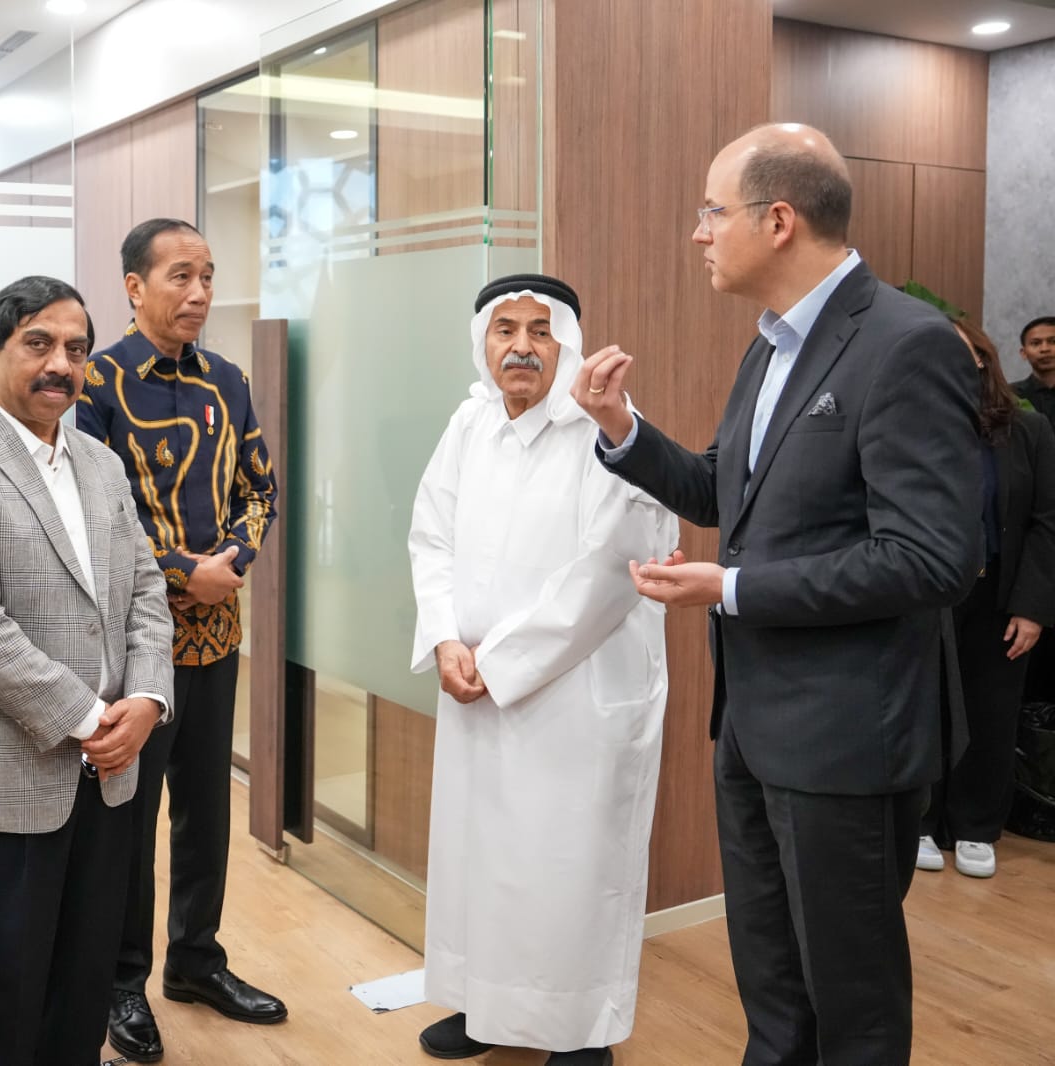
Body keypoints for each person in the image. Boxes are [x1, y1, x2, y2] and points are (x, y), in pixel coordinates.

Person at [572, 123, 982, 1066]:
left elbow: (931, 560)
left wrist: (735, 587)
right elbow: (726, 489)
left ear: (780, 220)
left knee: (852, 999)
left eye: (713, 212)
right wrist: (622, 427)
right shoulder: (771, 346)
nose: (699, 233)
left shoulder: (908, 345)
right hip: (754, 725)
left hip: (850, 737)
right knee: (773, 983)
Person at [0, 275, 174, 1066]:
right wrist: (94, 719)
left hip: (106, 773)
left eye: (77, 349)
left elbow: (145, 591)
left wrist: (147, 698)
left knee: (82, 981)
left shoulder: (99, 463)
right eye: (39, 344)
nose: (62, 364)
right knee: (0, 990)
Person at [408, 275, 676, 1066]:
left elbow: (611, 570)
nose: (520, 345)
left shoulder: (609, 431)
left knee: (567, 870)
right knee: (481, 860)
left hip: (574, 695)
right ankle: (486, 1006)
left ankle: (578, 1027)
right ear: (482, 345)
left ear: (568, 344)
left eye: (539, 330)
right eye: (504, 330)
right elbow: (431, 539)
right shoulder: (469, 422)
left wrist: (504, 662)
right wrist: (448, 637)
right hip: (476, 685)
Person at [76, 217, 283, 1063]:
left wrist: (235, 554)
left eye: (207, 276)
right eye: (179, 277)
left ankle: (195, 960)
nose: (198, 293)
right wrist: (178, 569)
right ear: (134, 286)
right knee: (126, 820)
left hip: (219, 632)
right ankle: (121, 980)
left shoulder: (228, 380)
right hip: (136, 647)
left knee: (207, 812)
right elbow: (91, 517)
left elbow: (260, 486)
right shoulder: (93, 384)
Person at [918, 316, 1055, 878]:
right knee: (922, 709)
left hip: (999, 593)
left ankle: (976, 827)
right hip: (924, 593)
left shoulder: (1028, 430)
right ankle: (921, 823)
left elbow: (1047, 523)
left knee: (992, 711)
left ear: (982, 358)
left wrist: (1031, 607)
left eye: (962, 352)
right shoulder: (913, 426)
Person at [1011, 315, 1055, 424]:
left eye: (1053, 341)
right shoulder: (1009, 395)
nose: (1045, 349)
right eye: (1035, 343)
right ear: (1024, 353)